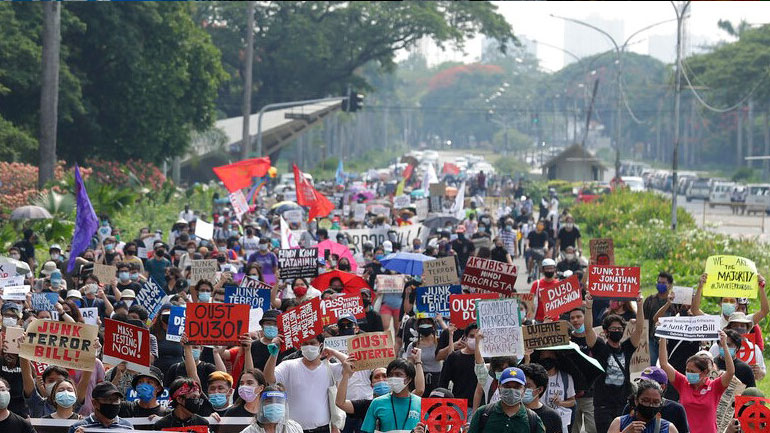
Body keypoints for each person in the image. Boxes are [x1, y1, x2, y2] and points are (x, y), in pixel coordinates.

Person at [584, 293, 645, 433]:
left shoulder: (627, 348)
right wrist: (588, 307)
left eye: (619, 329)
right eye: (613, 329)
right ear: (606, 332)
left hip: (623, 405)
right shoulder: (600, 347)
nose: (617, 331)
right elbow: (588, 329)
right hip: (603, 406)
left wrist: (640, 305)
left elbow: (639, 329)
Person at [264, 335, 345, 432]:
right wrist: (274, 354)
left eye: (312, 343)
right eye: (305, 344)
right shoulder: (288, 366)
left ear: (320, 345)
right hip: (294, 430)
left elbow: (352, 366)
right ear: (300, 346)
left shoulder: (330, 368)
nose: (309, 346)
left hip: (322, 429)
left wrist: (334, 352)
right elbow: (269, 378)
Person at [659, 331, 734, 433]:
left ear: (705, 372)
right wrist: (663, 336)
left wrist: (724, 345)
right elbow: (664, 364)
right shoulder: (683, 383)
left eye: (692, 371)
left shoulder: (715, 387)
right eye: (687, 370)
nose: (689, 373)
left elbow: (730, 372)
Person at [467, 367, 545, 433]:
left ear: (524, 390)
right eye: (507, 386)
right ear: (499, 388)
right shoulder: (483, 414)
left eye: (517, 387)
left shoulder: (533, 420)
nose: (511, 390)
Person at [361, 358, 422, 433]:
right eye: (390, 375)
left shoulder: (420, 403)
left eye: (398, 375)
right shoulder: (377, 403)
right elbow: (367, 431)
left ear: (408, 379)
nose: (393, 378)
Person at [621, 367, 689, 433]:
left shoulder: (676, 409)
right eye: (642, 382)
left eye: (649, 383)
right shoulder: (631, 406)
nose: (644, 386)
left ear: (662, 387)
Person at [608, 379, 679, 433]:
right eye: (646, 401)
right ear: (636, 400)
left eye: (656, 402)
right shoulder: (620, 422)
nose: (650, 405)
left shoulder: (668, 428)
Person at [438, 323, 479, 410]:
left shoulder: (486, 359)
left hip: (480, 406)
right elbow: (443, 382)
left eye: (477, 336)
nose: (475, 339)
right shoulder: (454, 357)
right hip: (459, 406)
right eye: (472, 336)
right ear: (465, 337)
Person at [68, 382, 133, 433]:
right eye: (108, 399)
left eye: (116, 399)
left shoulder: (127, 427)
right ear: (94, 403)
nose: (113, 403)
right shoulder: (79, 427)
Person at [519, 363, 563, 433]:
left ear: (540, 389)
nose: (522, 389)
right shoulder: (509, 411)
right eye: (520, 385)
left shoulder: (552, 417)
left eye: (527, 386)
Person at [239, 385, 304, 433]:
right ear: (261, 405)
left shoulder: (295, 428)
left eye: (278, 401)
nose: (274, 405)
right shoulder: (249, 431)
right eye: (269, 401)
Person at [643, 272, 674, 366]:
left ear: (670, 285)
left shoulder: (675, 303)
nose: (660, 285)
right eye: (659, 282)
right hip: (652, 339)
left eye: (663, 283)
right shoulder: (650, 300)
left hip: (669, 341)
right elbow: (644, 319)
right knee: (651, 366)